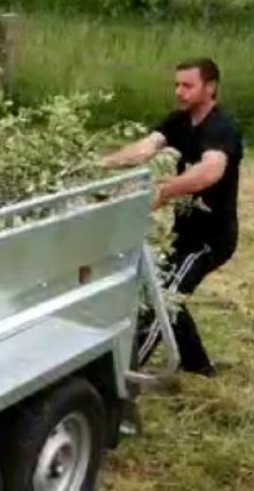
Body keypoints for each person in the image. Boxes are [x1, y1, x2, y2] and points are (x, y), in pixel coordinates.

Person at [102, 58, 243, 377]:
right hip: (183, 233)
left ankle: (122, 379)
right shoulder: (178, 122)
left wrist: (164, 192)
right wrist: (99, 167)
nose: (179, 92)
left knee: (161, 299)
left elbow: (210, 171)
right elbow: (144, 149)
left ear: (211, 88)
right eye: (177, 85)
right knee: (163, 290)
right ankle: (200, 368)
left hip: (211, 239)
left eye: (188, 85)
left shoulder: (221, 128)